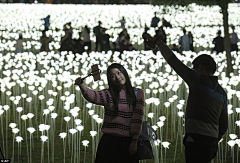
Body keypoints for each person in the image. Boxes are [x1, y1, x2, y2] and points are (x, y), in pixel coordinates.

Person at [142, 33, 228, 163]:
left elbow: (174, 62)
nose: (193, 70)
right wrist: (214, 139)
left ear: (201, 68)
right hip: (211, 143)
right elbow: (224, 125)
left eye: (194, 68)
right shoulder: (222, 93)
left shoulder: (198, 80)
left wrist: (159, 43)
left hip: (196, 140)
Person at [75, 63, 144, 163]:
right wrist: (81, 85)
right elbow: (93, 96)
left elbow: (138, 118)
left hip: (127, 141)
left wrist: (134, 140)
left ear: (124, 73)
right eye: (112, 76)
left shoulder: (137, 93)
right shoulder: (109, 94)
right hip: (109, 142)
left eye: (119, 73)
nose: (117, 77)